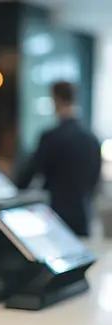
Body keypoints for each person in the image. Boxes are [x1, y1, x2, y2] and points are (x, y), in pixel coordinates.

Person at [16, 81, 102, 237]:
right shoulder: (91, 140)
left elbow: (31, 173)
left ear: (55, 99)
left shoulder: (51, 137)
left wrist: (15, 193)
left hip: (54, 215)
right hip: (82, 216)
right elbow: (95, 179)